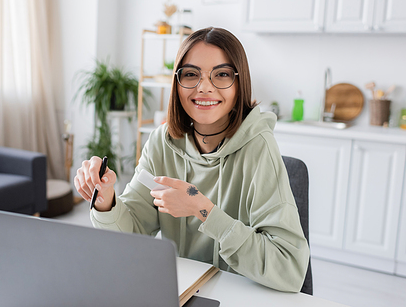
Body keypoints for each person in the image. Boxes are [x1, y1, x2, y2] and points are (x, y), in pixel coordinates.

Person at [74, 27, 310, 292]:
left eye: (221, 74)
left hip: (238, 296)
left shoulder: (259, 148)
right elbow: (131, 236)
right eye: (191, 74)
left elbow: (290, 270)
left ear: (239, 83)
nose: (204, 88)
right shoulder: (162, 142)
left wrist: (204, 210)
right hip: (179, 291)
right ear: (177, 82)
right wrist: (106, 200)